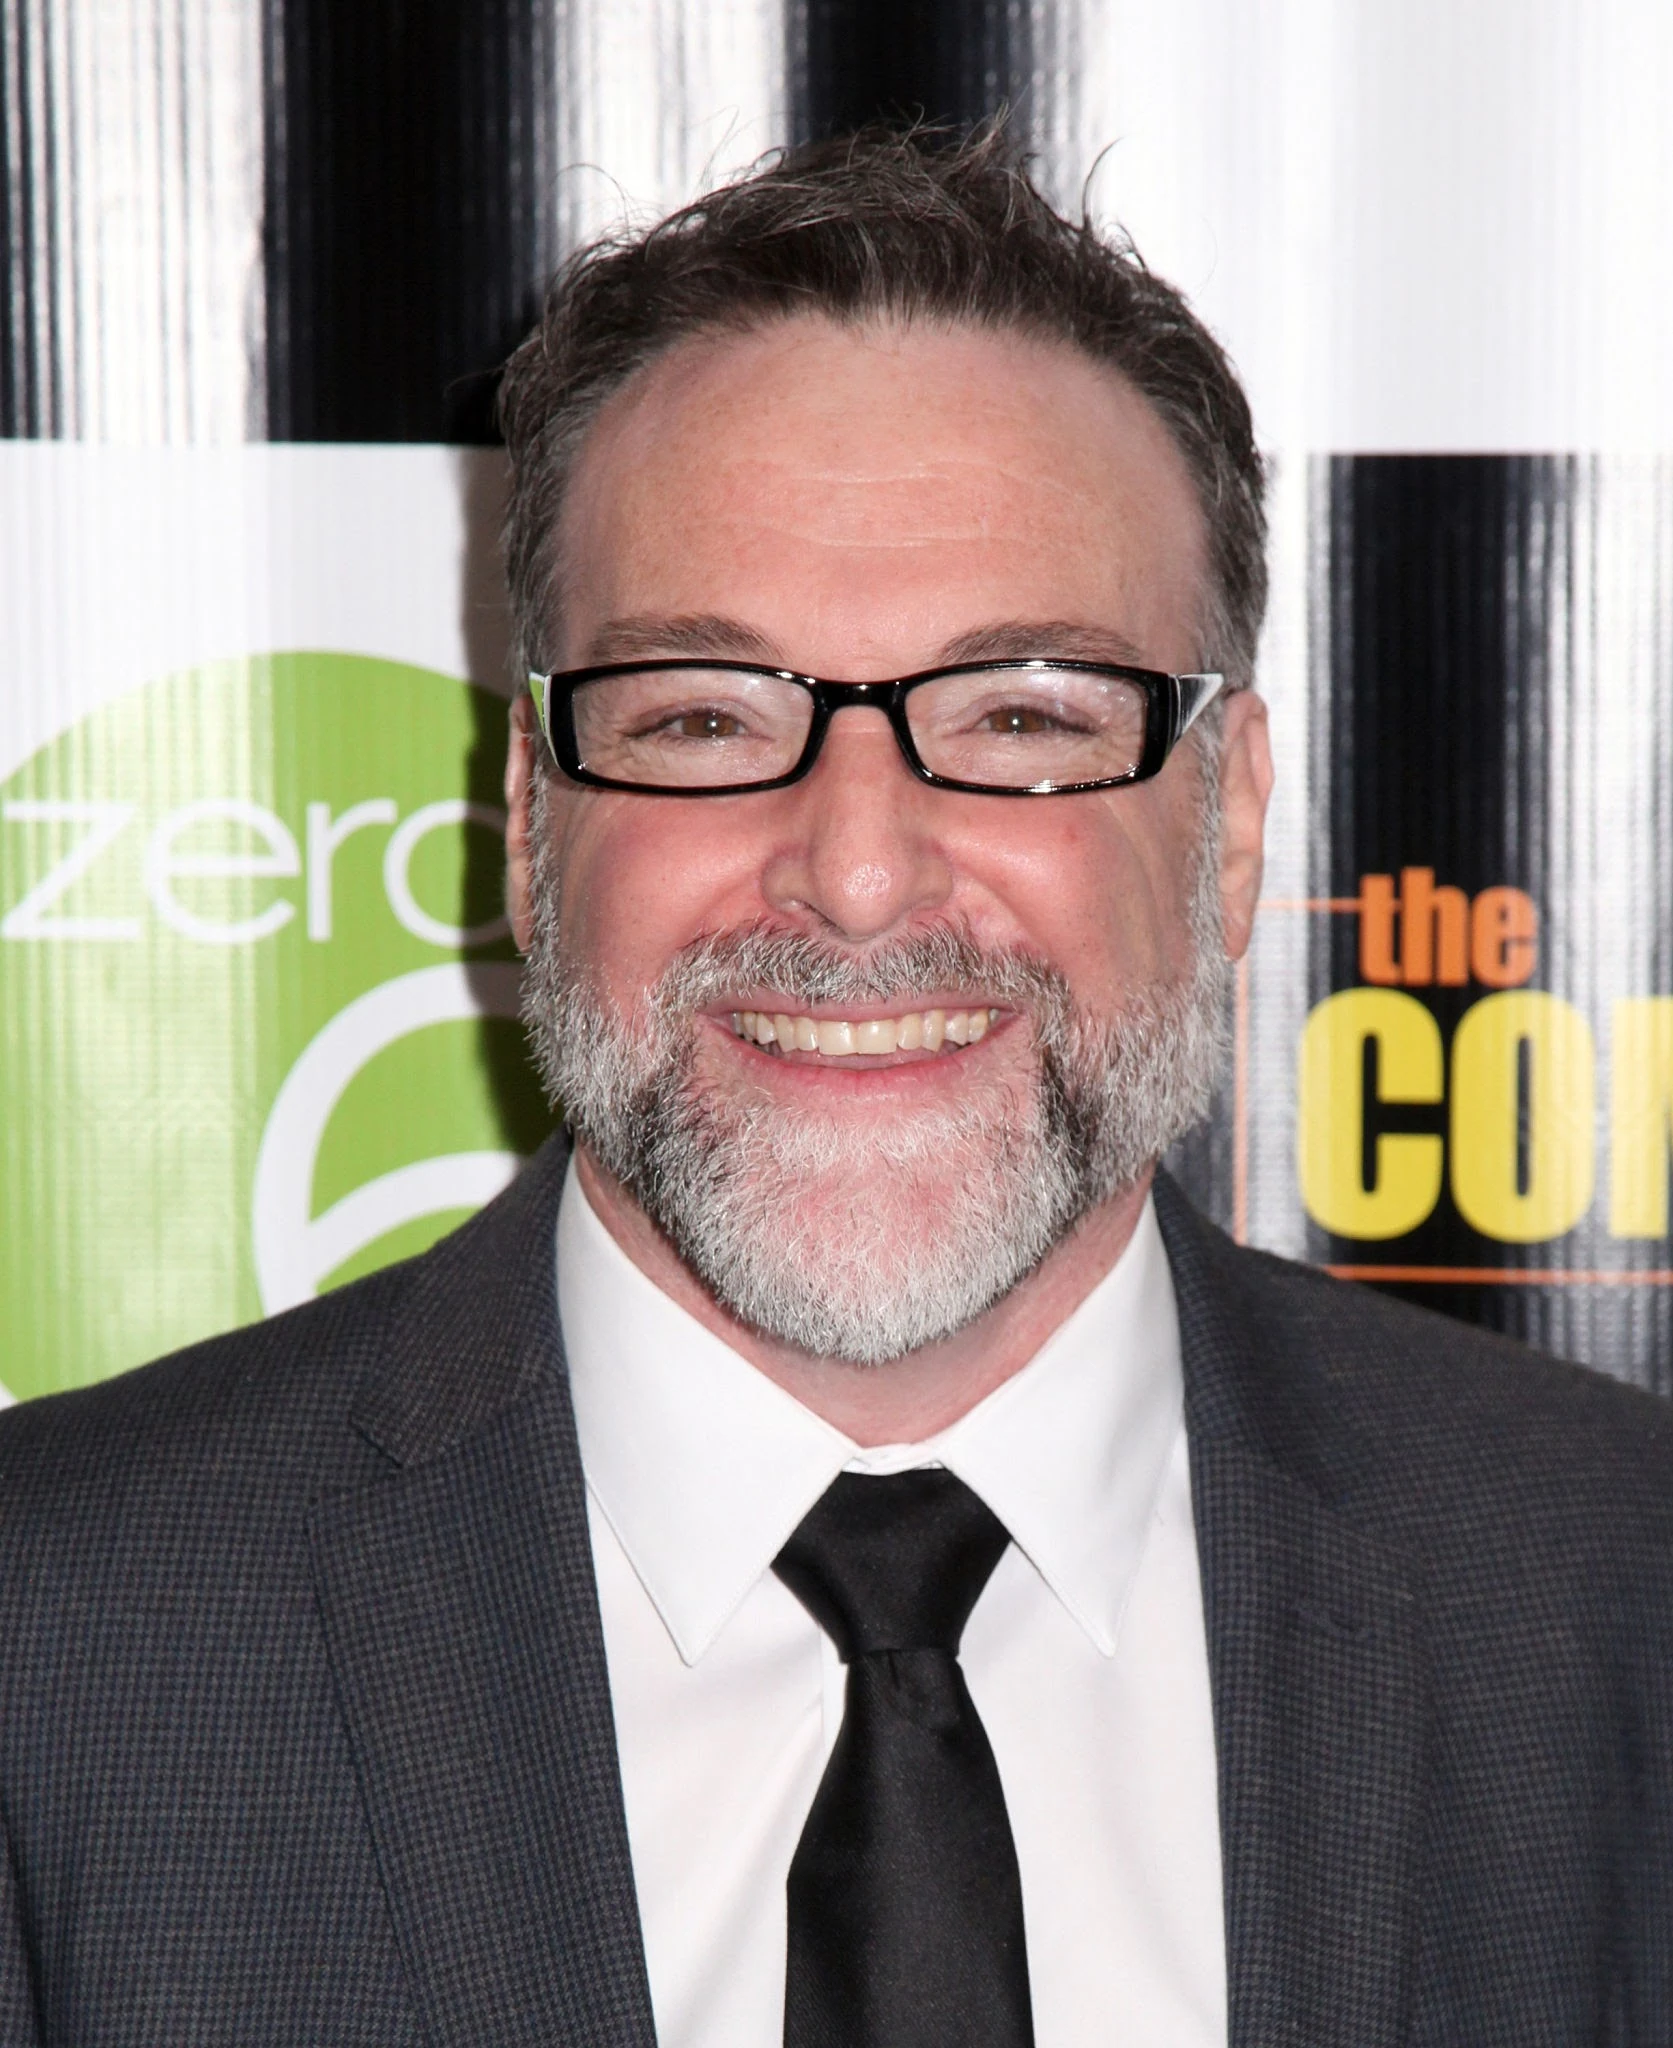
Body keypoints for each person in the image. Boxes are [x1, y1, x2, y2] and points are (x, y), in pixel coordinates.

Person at [2, 124, 1670, 2048]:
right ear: (533, 823)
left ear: (1226, 831)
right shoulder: (53, 1647)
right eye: (706, 719)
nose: (859, 872)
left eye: (1020, 715)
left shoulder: (1617, 1595)